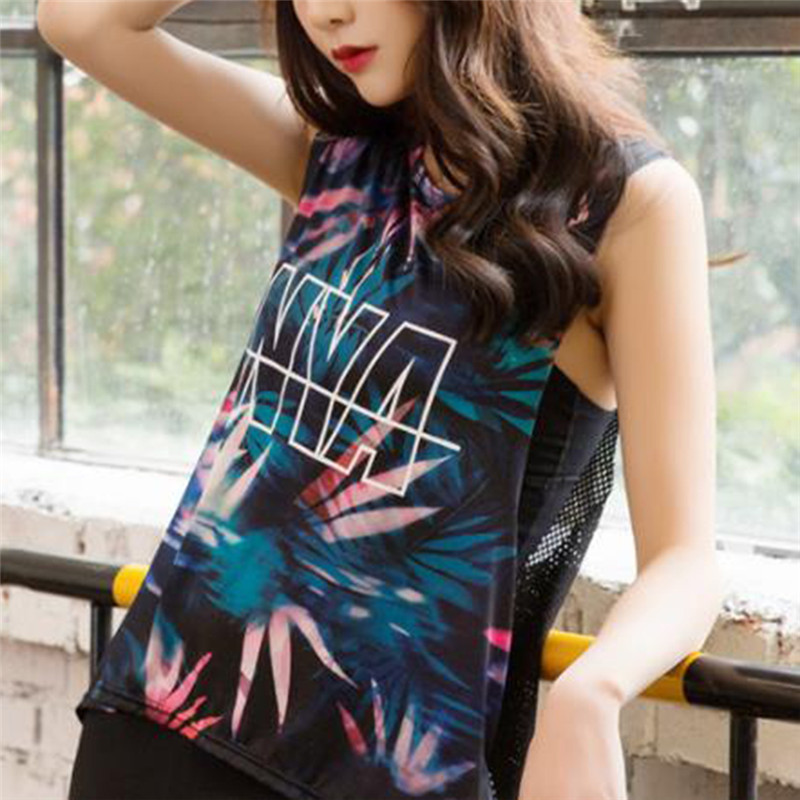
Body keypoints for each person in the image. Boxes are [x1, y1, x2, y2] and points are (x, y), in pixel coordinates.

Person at [35, 0, 727, 798]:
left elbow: (685, 560)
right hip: (160, 719)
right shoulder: (339, 152)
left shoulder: (624, 204)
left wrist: (591, 694)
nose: (326, 12)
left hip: (385, 767)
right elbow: (80, 24)